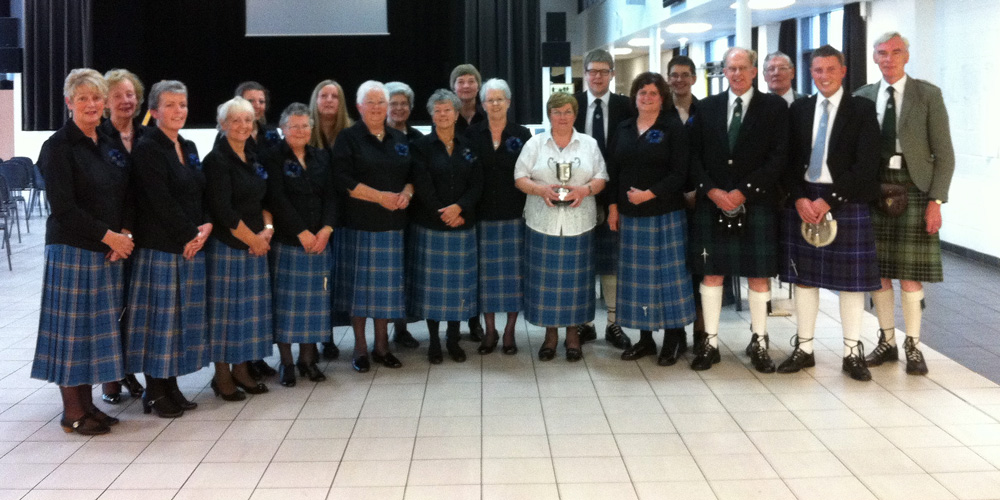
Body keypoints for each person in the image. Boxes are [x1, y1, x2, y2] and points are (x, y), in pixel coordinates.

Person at [31, 68, 134, 435]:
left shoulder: (107, 139)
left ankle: (90, 406)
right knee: (72, 334)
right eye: (83, 98)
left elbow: (123, 190)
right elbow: (65, 209)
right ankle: (72, 412)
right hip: (73, 250)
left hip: (108, 250)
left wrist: (122, 233)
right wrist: (110, 237)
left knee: (94, 333)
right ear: (68, 102)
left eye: (97, 98)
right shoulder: (58, 147)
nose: (91, 105)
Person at [777, 45, 881, 381]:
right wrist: (798, 198)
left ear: (843, 71)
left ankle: (852, 353)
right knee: (805, 280)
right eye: (818, 70)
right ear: (811, 73)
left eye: (830, 70)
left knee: (851, 283)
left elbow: (866, 165)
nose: (824, 76)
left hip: (845, 201)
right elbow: (788, 160)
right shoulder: (799, 110)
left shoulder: (862, 110)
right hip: (806, 198)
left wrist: (829, 201)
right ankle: (804, 349)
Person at [855, 32, 956, 376]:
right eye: (882, 53)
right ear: (874, 57)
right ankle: (886, 342)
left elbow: (945, 155)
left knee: (911, 276)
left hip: (914, 189)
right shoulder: (863, 97)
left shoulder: (927, 95)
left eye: (896, 52)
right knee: (878, 274)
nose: (889, 58)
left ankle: (913, 345)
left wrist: (936, 201)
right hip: (874, 191)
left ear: (906, 56)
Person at [688, 47, 789, 372]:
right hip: (712, 202)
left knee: (759, 276)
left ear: (754, 70)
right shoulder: (705, 108)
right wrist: (713, 191)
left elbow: (779, 156)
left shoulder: (774, 107)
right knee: (712, 272)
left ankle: (759, 341)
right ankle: (711, 343)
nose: (737, 74)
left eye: (743, 68)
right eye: (731, 68)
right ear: (724, 72)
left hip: (756, 202)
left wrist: (744, 191)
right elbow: (692, 157)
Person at [126, 80, 212, 417]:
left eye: (183, 104)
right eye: (171, 105)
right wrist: (189, 234)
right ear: (154, 111)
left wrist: (205, 226)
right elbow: (158, 200)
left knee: (179, 322)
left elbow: (200, 190)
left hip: (190, 246)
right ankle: (155, 392)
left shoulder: (188, 145)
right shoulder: (148, 147)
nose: (179, 111)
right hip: (162, 248)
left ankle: (171, 386)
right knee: (159, 323)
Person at [608, 72, 695, 366]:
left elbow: (680, 174)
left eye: (653, 93)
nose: (647, 98)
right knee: (639, 280)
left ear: (663, 97)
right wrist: (612, 207)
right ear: (634, 96)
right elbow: (614, 171)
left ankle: (674, 337)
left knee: (669, 279)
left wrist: (650, 194)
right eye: (642, 92)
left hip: (665, 214)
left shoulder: (672, 127)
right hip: (630, 217)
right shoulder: (623, 127)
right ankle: (645, 339)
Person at [514, 92, 608, 362]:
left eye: (567, 111)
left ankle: (573, 336)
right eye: (557, 112)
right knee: (546, 284)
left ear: (575, 114)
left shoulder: (588, 144)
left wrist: (585, 189)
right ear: (549, 115)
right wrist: (540, 189)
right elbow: (519, 177)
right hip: (542, 223)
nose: (562, 117)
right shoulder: (535, 144)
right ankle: (550, 335)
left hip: (579, 224)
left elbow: (601, 176)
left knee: (576, 284)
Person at [332, 80, 413, 372]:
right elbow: (343, 180)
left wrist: (406, 193)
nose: (378, 108)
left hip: (392, 227)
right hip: (359, 226)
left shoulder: (399, 138)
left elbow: (411, 175)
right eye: (372, 103)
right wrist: (380, 198)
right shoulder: (348, 138)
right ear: (359, 107)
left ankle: (382, 346)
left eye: (382, 102)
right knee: (359, 291)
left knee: (386, 292)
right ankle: (360, 348)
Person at [203, 97, 274, 399]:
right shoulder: (216, 160)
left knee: (247, 314)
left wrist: (267, 231)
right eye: (236, 120)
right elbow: (223, 210)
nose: (243, 126)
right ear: (223, 125)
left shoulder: (253, 156)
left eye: (248, 120)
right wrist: (254, 239)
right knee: (225, 315)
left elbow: (264, 200)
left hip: (256, 244)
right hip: (229, 247)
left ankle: (242, 369)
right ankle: (221, 376)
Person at [263, 103, 338, 387]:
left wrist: (326, 229)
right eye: (294, 126)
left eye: (305, 125)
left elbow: (332, 196)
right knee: (286, 306)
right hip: (289, 243)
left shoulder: (320, 156)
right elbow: (276, 199)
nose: (300, 131)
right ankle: (287, 363)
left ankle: (308, 359)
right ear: (282, 129)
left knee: (315, 306)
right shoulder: (272, 157)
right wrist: (302, 233)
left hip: (320, 242)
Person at [409, 89, 483, 363]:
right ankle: (434, 343)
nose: (442, 114)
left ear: (456, 114)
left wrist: (460, 208)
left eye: (447, 110)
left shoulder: (468, 145)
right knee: (432, 288)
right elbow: (422, 185)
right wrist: (445, 212)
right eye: (437, 110)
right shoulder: (420, 147)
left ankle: (453, 339)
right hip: (431, 226)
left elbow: (477, 183)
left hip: (463, 224)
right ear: (431, 114)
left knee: (457, 287)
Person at [573, 48, 636, 350]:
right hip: (578, 196)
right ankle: (585, 325)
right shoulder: (571, 106)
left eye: (603, 71)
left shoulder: (627, 106)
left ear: (612, 74)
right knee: (584, 261)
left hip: (616, 195)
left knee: (612, 263)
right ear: (584, 74)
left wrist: (615, 201)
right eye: (592, 71)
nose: (597, 76)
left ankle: (614, 323)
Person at [469, 78, 532, 355]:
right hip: (482, 216)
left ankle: (509, 331)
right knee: (486, 278)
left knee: (512, 277)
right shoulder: (472, 134)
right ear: (482, 104)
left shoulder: (522, 134)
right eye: (489, 100)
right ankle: (490, 330)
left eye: (499, 99)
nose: (495, 104)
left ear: (508, 102)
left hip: (514, 216)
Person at [98, 68, 147, 404]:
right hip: (111, 238)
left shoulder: (149, 136)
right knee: (110, 309)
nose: (126, 100)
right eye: (118, 95)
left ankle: (129, 368)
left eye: (130, 94)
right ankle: (110, 377)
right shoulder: (97, 137)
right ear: (105, 103)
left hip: (145, 235)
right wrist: (116, 234)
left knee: (134, 308)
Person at [308, 79, 352, 360]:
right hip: (314, 219)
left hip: (346, 217)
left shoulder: (350, 132)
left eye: (334, 96)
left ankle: (331, 333)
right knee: (316, 282)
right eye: (323, 95)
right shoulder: (303, 130)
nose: (328, 100)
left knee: (336, 280)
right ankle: (321, 335)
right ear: (316, 100)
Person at [385, 81, 423, 350]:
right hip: (381, 213)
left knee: (404, 272)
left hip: (413, 213)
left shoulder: (418, 139)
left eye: (403, 104)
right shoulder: (375, 135)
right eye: (393, 103)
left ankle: (401, 327)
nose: (398, 108)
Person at [235, 80, 281, 152]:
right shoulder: (229, 133)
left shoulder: (271, 132)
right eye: (250, 101)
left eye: (261, 101)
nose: (257, 106)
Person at [450, 63, 486, 136]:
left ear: (478, 87)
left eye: (471, 81)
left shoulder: (487, 114)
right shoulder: (447, 116)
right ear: (453, 87)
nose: (466, 86)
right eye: (461, 82)